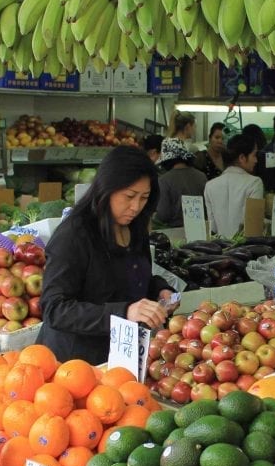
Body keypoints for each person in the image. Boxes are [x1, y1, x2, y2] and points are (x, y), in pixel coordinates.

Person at [39, 147, 175, 363]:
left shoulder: (135, 227)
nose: (136, 207)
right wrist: (124, 312)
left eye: (144, 198)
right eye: (129, 196)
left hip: (121, 357)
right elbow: (55, 309)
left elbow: (129, 278)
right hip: (74, 364)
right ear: (107, 189)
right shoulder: (74, 235)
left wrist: (160, 290)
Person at [204, 134, 264, 237]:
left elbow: (212, 227)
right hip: (245, 249)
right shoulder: (254, 183)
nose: (256, 160)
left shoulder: (209, 186)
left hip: (220, 249)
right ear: (242, 157)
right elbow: (254, 225)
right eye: (254, 155)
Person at [153, 138, 208, 228]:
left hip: (175, 232)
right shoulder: (202, 176)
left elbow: (163, 215)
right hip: (201, 229)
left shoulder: (164, 180)